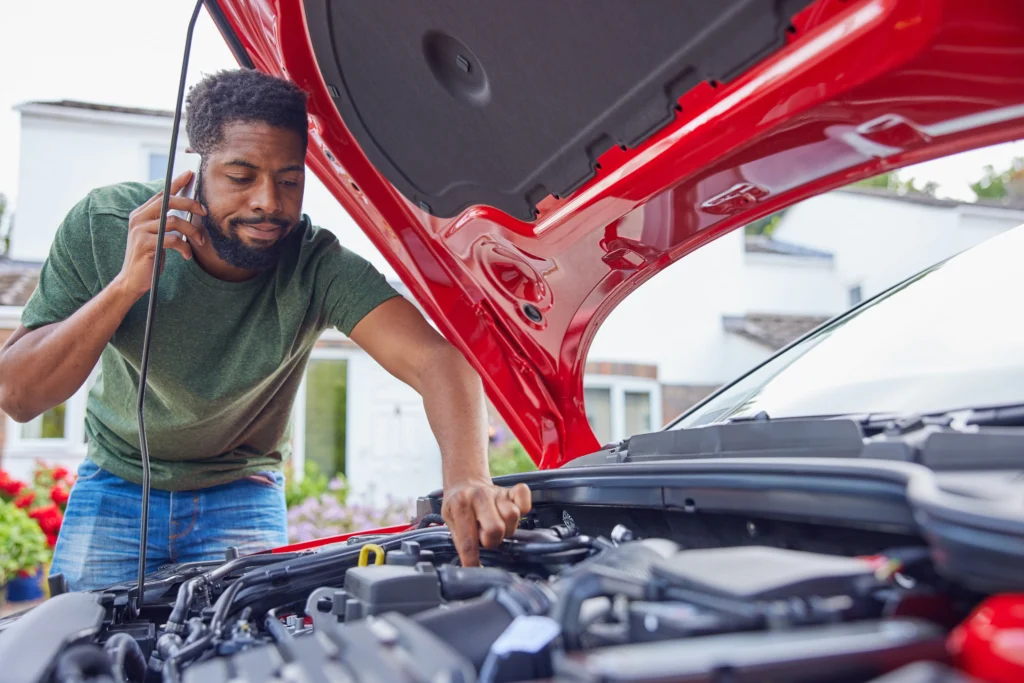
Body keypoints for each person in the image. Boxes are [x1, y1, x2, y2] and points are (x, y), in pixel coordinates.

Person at [0, 69, 530, 591]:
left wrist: (468, 477)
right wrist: (123, 289)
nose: (268, 202)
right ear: (195, 169)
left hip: (242, 490)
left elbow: (436, 360)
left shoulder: (317, 264)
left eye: (289, 179)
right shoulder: (104, 225)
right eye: (240, 176)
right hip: (116, 483)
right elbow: (19, 397)